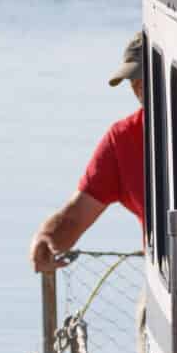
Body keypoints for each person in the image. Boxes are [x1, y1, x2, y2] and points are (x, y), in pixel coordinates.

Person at [29, 33, 145, 271]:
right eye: (132, 81)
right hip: (168, 276)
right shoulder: (122, 138)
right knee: (145, 310)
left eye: (144, 77)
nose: (138, 88)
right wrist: (46, 238)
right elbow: (76, 215)